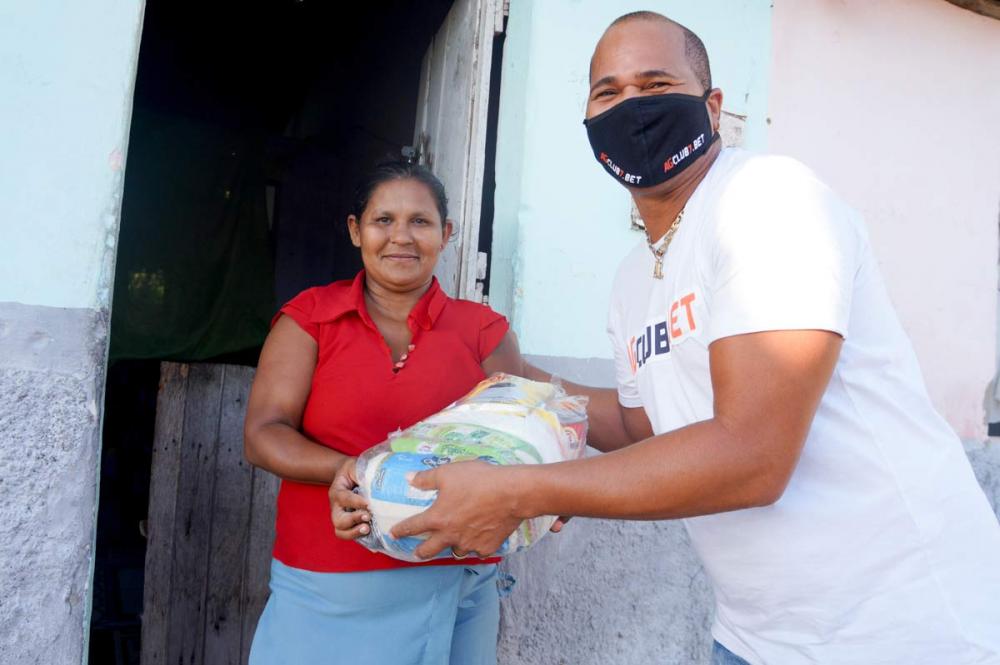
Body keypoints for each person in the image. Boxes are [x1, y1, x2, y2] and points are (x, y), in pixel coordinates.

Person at [332, 12, 1000, 665]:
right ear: (589, 122)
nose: (633, 107)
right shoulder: (634, 277)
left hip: (905, 627)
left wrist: (524, 490)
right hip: (757, 636)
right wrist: (507, 392)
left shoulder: (767, 201)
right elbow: (640, 424)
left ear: (712, 107)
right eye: (609, 93)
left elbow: (754, 455)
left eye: (656, 85)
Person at [244, 161, 522, 665]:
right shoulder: (311, 319)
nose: (402, 237)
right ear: (356, 230)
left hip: (452, 579)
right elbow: (264, 433)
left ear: (446, 234)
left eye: (420, 221)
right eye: (384, 220)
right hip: (326, 586)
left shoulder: (484, 331)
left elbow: (512, 447)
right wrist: (354, 471)